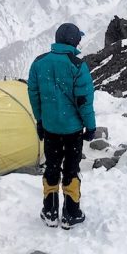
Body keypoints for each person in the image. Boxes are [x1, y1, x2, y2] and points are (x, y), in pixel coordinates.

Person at [26, 22, 96, 229]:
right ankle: (71, 213)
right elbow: (84, 100)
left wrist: (40, 120)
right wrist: (90, 126)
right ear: (75, 41)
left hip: (50, 128)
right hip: (72, 130)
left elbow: (34, 95)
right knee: (71, 169)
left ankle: (50, 211)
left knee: (52, 167)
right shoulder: (77, 65)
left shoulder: (39, 63)